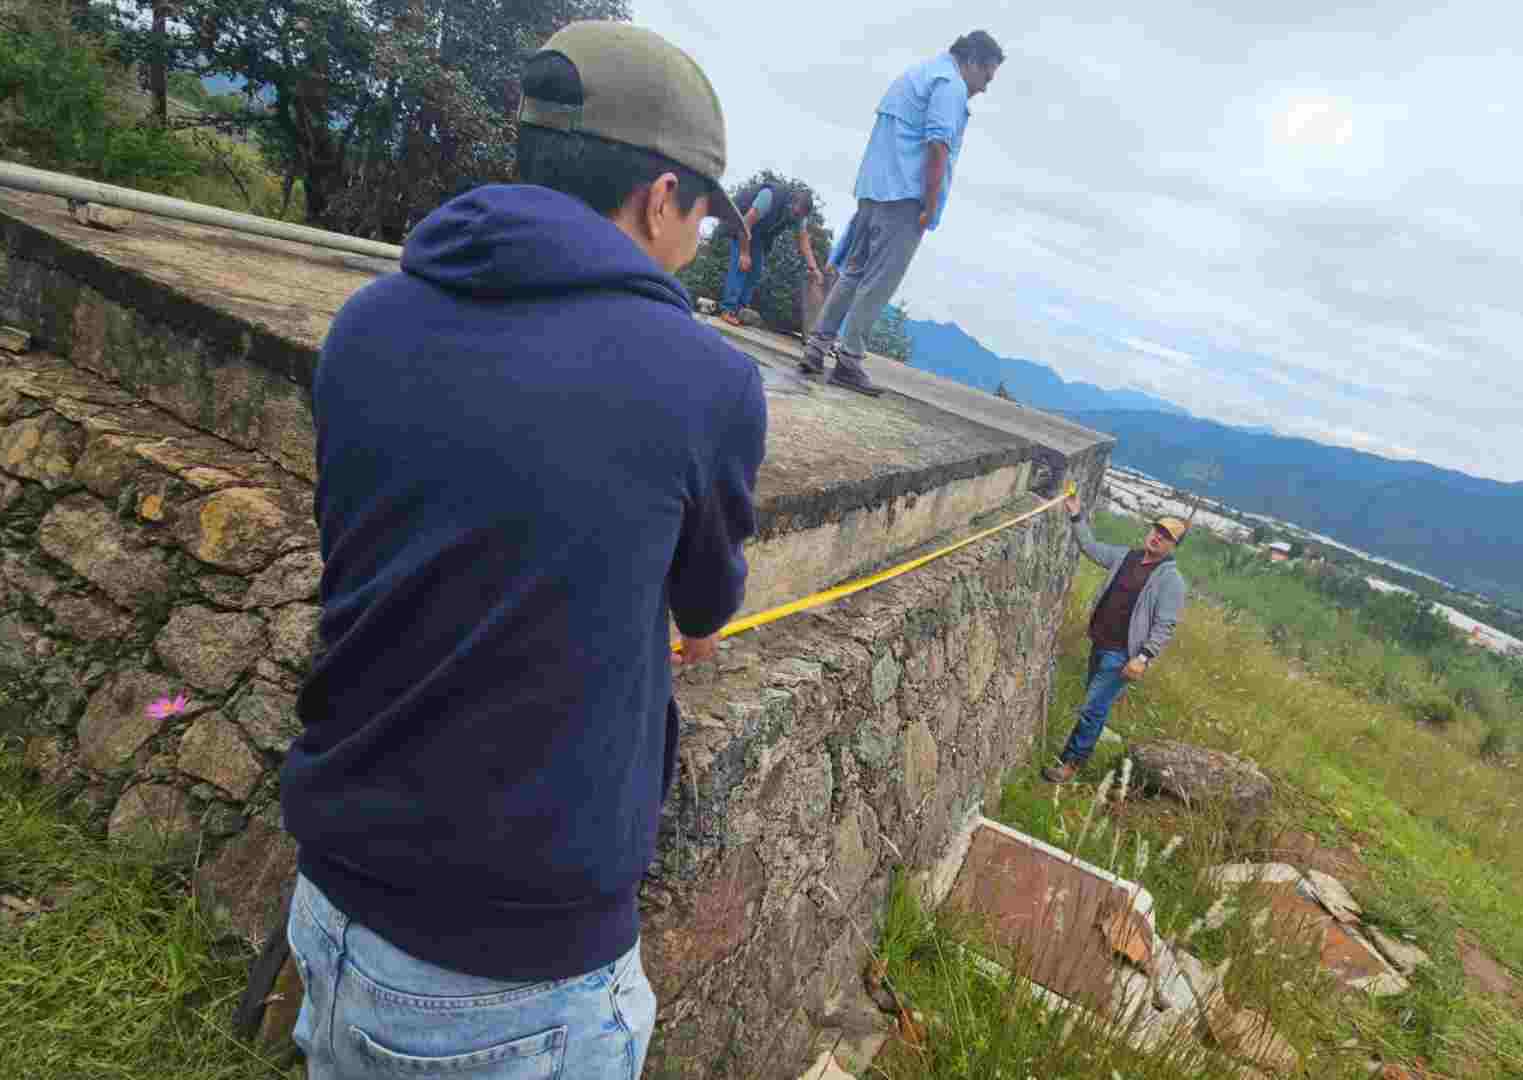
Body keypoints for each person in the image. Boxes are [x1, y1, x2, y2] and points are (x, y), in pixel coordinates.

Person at [280, 21, 766, 1079]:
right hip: (517, 979)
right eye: (700, 214)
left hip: (331, 897)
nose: (698, 240)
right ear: (659, 197)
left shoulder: (368, 323)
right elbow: (708, 604)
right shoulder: (706, 384)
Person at [800, 30, 1005, 396]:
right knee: (878, 282)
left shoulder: (917, 74)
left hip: (873, 190)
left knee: (853, 273)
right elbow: (938, 143)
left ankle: (816, 348)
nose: (985, 88)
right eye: (986, 76)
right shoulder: (950, 85)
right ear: (972, 61)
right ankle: (849, 360)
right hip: (905, 197)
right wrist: (930, 202)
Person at [1042, 491, 1188, 784]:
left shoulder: (1170, 580)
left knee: (1092, 707)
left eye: (1166, 536)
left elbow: (1165, 625)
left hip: (1123, 654)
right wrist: (1075, 514)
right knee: (1096, 706)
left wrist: (1143, 658)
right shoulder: (1126, 556)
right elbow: (1091, 547)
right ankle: (1073, 755)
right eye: (1156, 530)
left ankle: (1071, 764)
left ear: (1173, 546)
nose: (1157, 537)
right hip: (1100, 642)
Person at [718, 180, 821, 325]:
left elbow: (803, 239)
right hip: (740, 223)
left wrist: (813, 268)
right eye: (796, 213)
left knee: (756, 270)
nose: (796, 218)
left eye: (800, 216)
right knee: (741, 265)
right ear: (791, 203)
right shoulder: (769, 197)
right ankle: (727, 309)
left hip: (759, 234)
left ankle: (740, 310)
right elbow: (745, 223)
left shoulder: (798, 214)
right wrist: (744, 253)